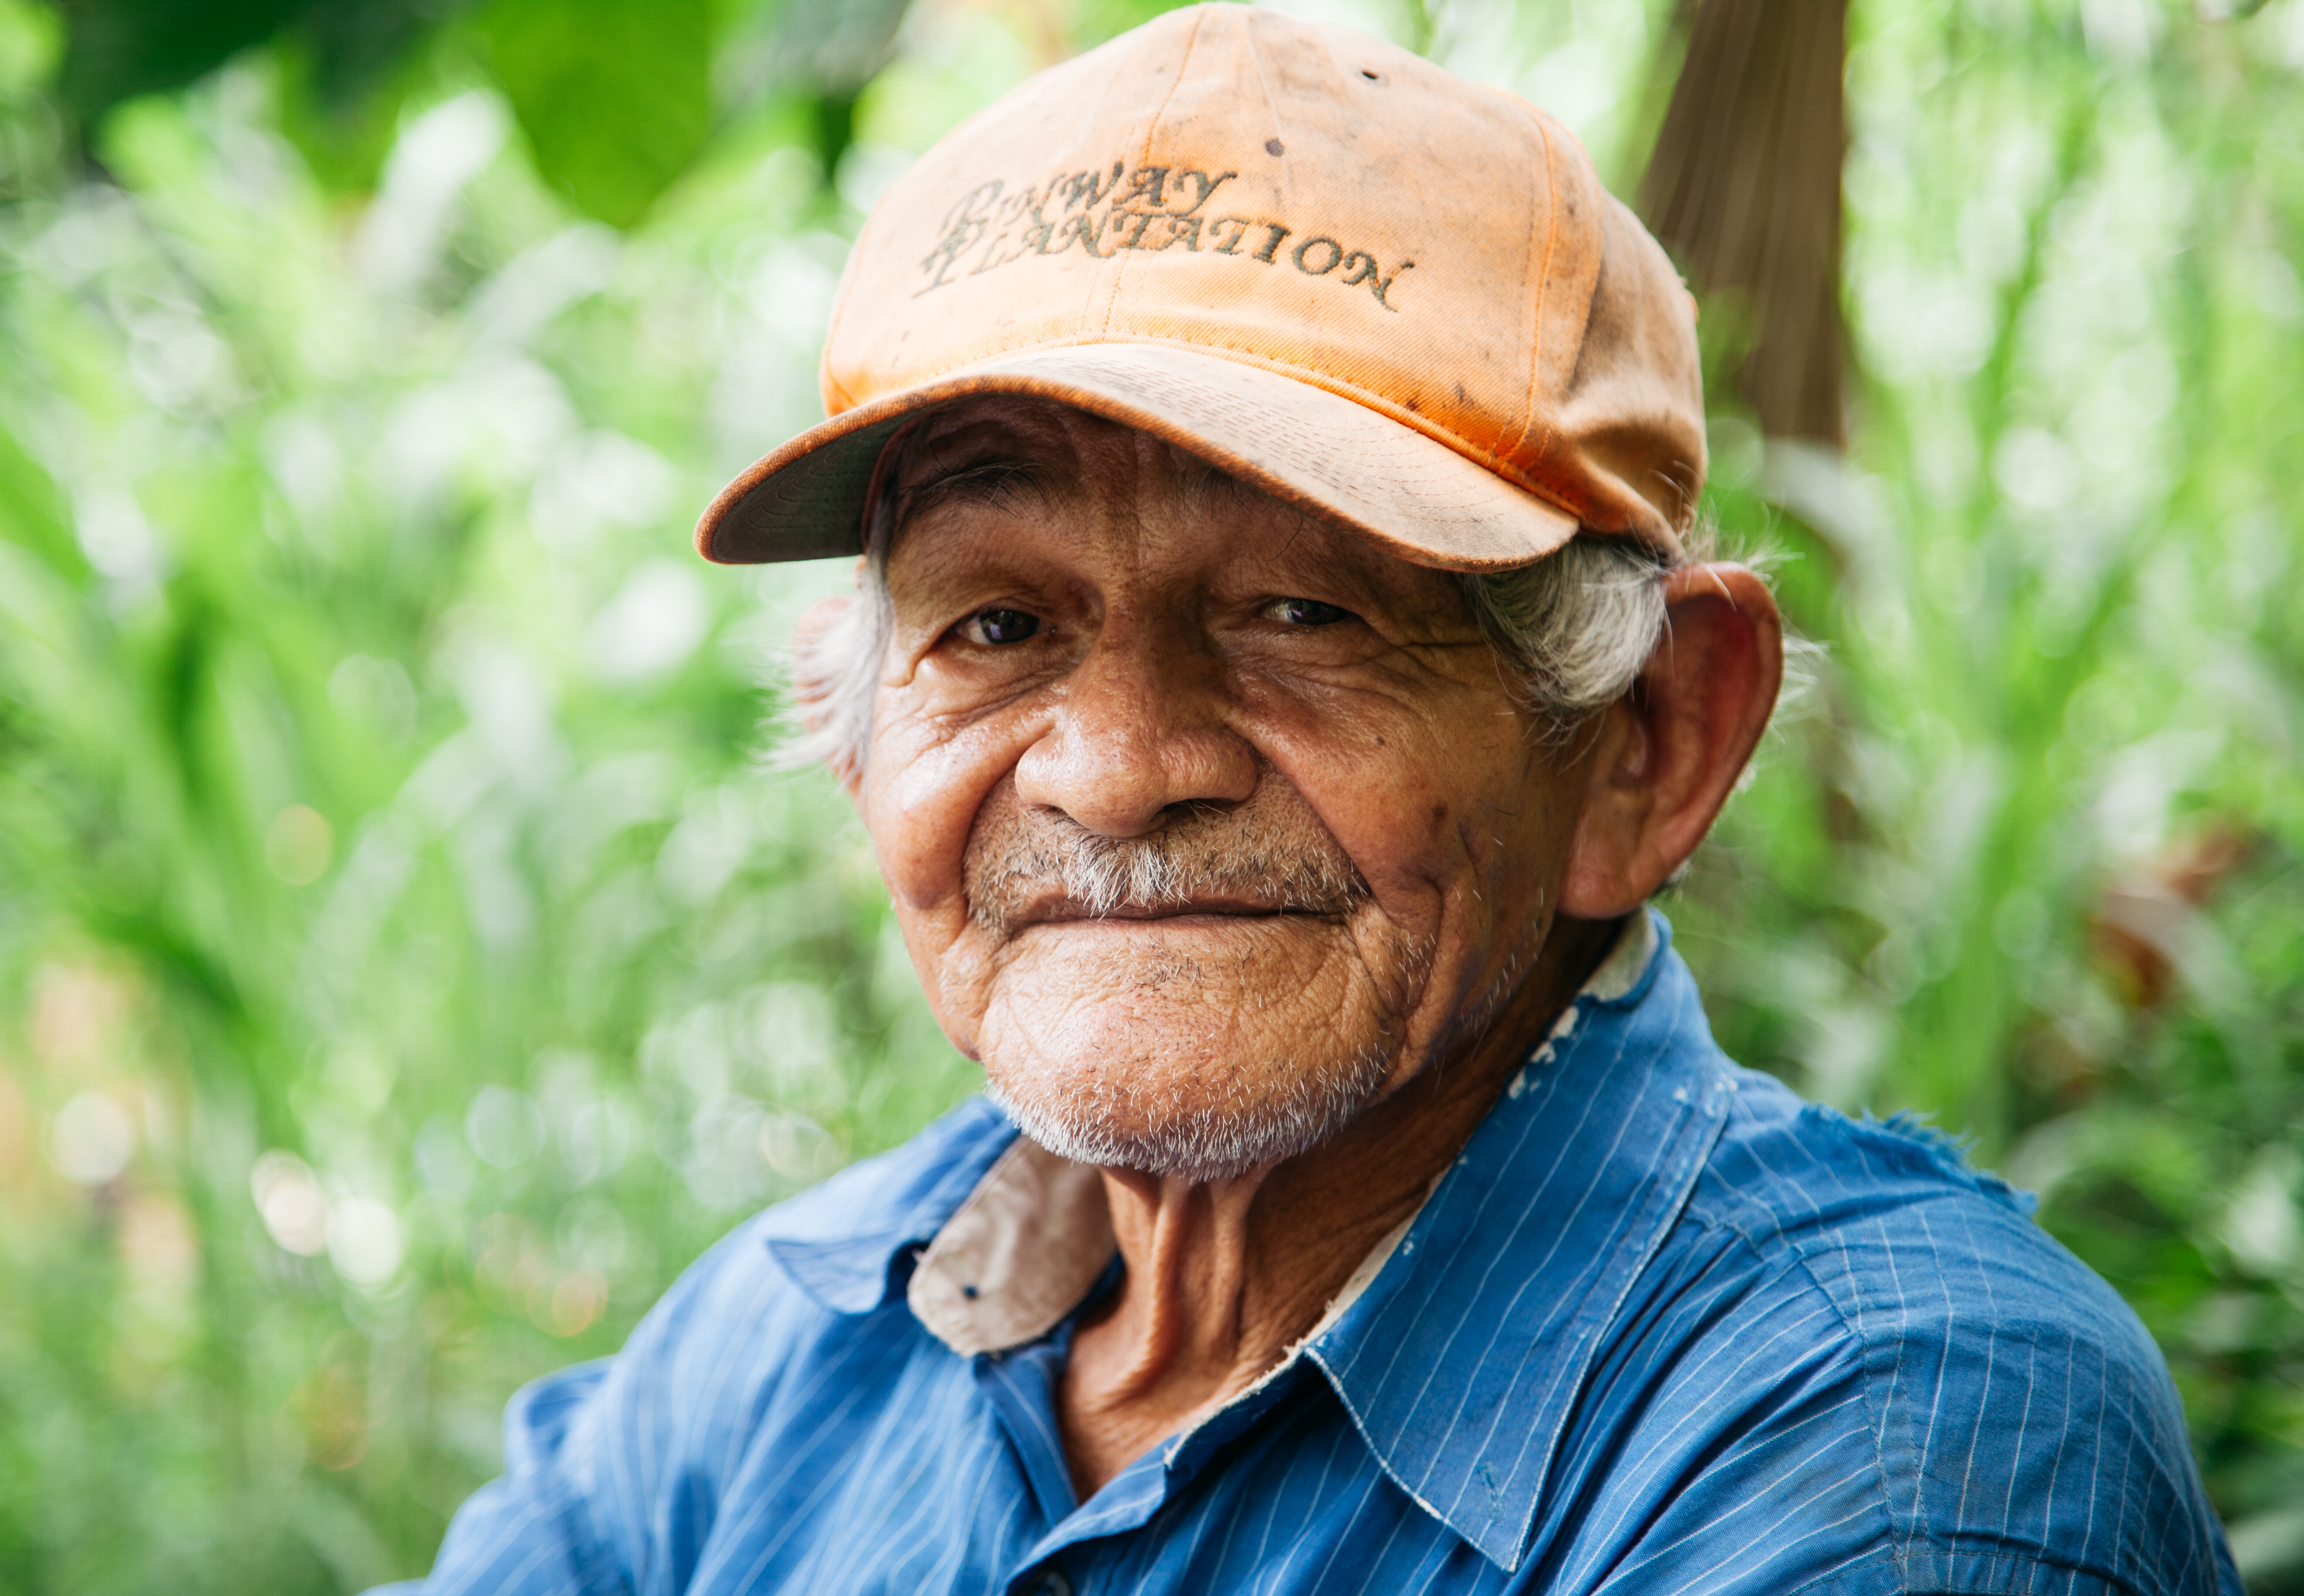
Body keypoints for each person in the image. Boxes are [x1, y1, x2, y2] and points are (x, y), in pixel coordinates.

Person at [391, 7, 2239, 1592]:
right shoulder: (780, 1351)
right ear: (860, 732)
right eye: (999, 621)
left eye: (1301, 612)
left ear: (1649, 739)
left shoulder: (1894, 1443)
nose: (1114, 772)